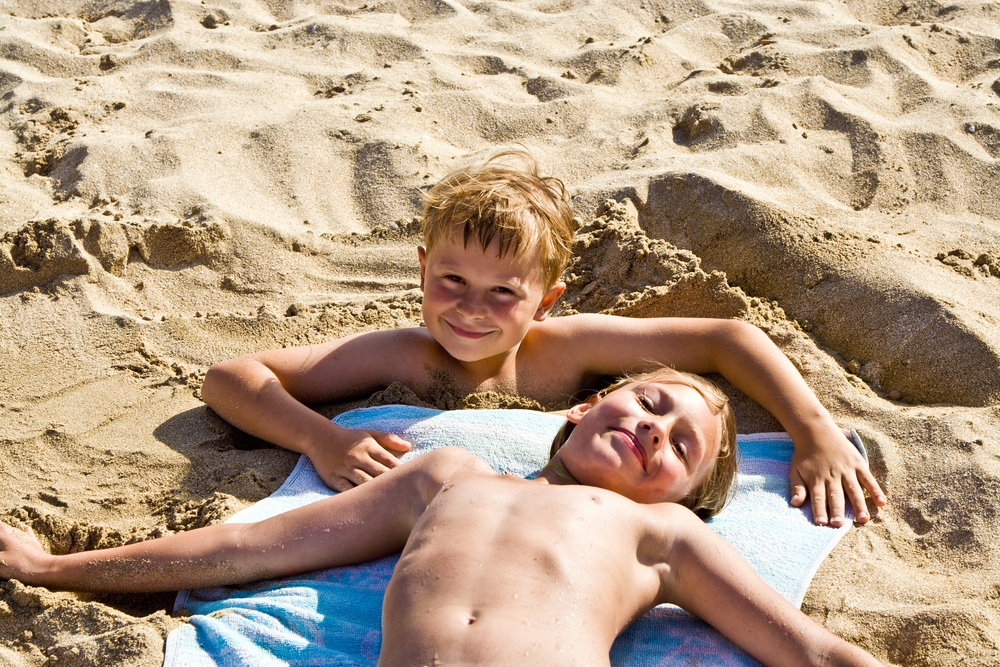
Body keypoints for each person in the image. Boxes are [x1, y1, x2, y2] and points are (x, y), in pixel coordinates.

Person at [0, 370, 881, 667]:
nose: (653, 429)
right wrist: (54, 569)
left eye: (680, 446)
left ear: (684, 497)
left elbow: (804, 647)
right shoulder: (445, 476)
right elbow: (255, 544)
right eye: (650, 404)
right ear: (581, 410)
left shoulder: (662, 538)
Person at [200, 149, 885, 527]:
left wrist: (814, 430)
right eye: (452, 281)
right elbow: (231, 377)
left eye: (504, 292)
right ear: (422, 268)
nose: (471, 310)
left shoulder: (564, 348)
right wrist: (321, 437)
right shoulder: (406, 355)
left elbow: (726, 338)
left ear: (546, 302)